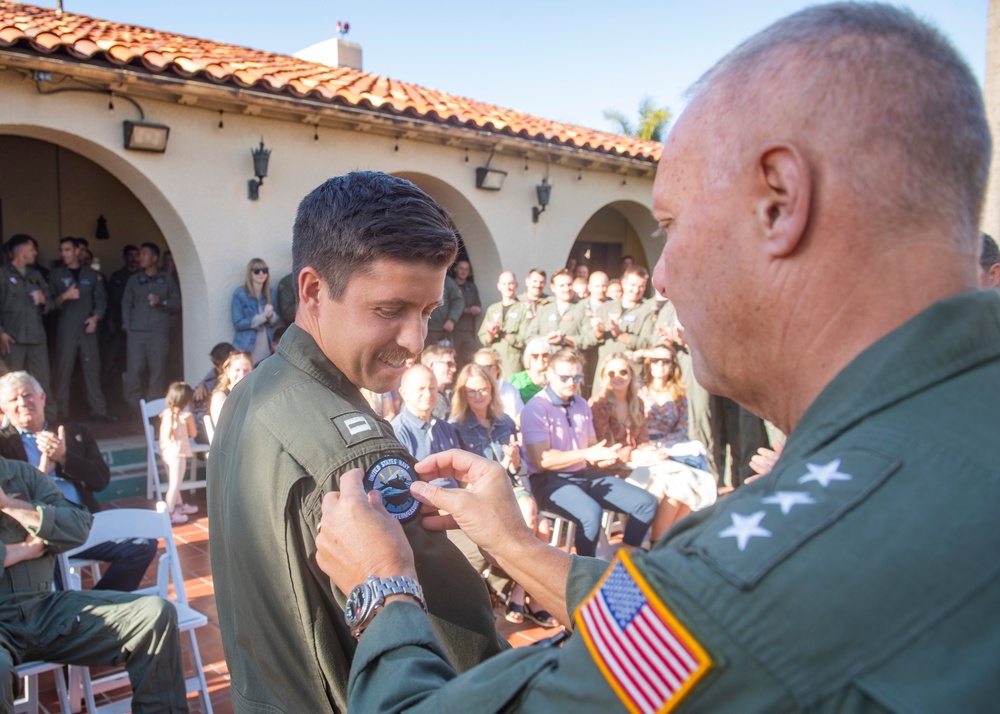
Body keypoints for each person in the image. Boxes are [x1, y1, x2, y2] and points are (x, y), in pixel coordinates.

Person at [313, 5, 999, 711]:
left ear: (779, 203)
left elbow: (689, 629)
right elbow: (654, 629)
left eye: (671, 225)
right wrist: (515, 545)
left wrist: (383, 589)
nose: (663, 274)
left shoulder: (755, 585)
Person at [207, 171, 506, 713]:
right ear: (314, 291)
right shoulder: (361, 461)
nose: (416, 340)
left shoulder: (252, 391)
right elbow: (463, 656)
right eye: (390, 311)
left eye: (429, 313)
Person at [0, 455, 189, 712]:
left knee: (155, 615)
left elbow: (79, 526)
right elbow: (56, 534)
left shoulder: (23, 475)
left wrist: (11, 505)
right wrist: (21, 550)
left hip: (44, 609)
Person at [0, 370, 157, 591]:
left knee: (142, 545)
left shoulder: (73, 433)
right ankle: (71, 614)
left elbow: (101, 480)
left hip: (86, 523)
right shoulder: (3, 445)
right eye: (13, 399)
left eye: (27, 395)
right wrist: (41, 472)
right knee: (47, 566)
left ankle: (99, 605)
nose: (23, 403)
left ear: (42, 397)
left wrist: (65, 457)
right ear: (3, 409)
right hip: (40, 531)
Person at [519, 347, 657, 557]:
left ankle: (624, 561)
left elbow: (592, 446)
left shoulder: (581, 403)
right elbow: (541, 460)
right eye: (564, 377)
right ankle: (584, 577)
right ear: (549, 375)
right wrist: (586, 454)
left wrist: (605, 454)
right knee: (591, 515)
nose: (571, 382)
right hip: (548, 480)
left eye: (577, 377)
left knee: (645, 503)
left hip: (583, 474)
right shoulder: (537, 407)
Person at [449, 363, 556, 628]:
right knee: (538, 525)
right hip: (483, 494)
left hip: (515, 488)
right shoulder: (456, 428)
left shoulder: (504, 420)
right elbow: (464, 478)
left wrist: (515, 461)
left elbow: (520, 471)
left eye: (483, 389)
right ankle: (530, 597)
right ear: (462, 394)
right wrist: (504, 468)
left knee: (534, 519)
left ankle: (519, 592)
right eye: (471, 391)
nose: (478, 396)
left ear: (492, 390)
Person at [592, 352, 716, 540]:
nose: (617, 377)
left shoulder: (637, 403)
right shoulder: (598, 405)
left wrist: (647, 450)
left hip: (638, 463)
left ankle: (664, 544)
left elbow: (642, 440)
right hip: (612, 469)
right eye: (611, 373)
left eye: (623, 372)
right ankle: (657, 545)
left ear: (631, 375)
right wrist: (633, 455)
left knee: (686, 482)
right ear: (603, 377)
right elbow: (604, 449)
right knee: (675, 490)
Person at [49, 237, 114, 421]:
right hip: (66, 327)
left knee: (92, 369)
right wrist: (65, 296)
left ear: (78, 251)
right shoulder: (55, 274)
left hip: (87, 327)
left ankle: (99, 411)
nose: (64, 254)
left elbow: (101, 301)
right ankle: (61, 412)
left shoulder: (92, 275)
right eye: (62, 250)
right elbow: (49, 304)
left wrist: (96, 317)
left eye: (67, 250)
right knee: (63, 370)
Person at [121, 242, 180, 415]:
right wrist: (127, 327)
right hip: (137, 332)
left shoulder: (166, 279)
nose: (141, 257)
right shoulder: (133, 280)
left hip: (158, 332)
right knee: (135, 369)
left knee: (157, 370)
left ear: (154, 258)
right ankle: (134, 406)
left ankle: (153, 408)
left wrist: (161, 302)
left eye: (145, 254)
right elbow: (126, 304)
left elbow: (176, 303)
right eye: (140, 254)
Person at [0, 234, 54, 421]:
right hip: (12, 337)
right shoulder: (3, 274)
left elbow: (51, 305)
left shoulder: (36, 275)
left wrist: (43, 300)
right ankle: (8, 422)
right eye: (31, 249)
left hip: (36, 336)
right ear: (21, 251)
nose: (35, 253)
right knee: (10, 381)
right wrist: (1, 332)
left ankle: (46, 419)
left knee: (42, 378)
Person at [391, 364, 459, 462]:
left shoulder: (447, 429)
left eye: (432, 388)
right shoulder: (397, 432)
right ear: (404, 393)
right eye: (421, 388)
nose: (428, 394)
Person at [158, 381, 198, 525]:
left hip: (166, 453)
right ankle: (169, 513)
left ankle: (180, 506)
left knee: (173, 482)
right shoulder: (186, 416)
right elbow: (193, 434)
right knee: (174, 485)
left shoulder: (166, 414)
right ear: (187, 400)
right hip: (178, 455)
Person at [478, 270, 529, 379]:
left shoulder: (523, 309)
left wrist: (501, 333)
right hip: (495, 360)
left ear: (516, 285)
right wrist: (490, 334)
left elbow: (524, 339)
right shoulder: (493, 309)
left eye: (511, 283)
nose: (508, 287)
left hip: (514, 362)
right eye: (504, 284)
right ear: (499, 286)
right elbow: (483, 338)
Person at [231, 258, 279, 365]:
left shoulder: (270, 293)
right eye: (256, 271)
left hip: (266, 349)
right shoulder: (240, 294)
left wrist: (271, 315)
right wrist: (262, 317)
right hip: (246, 347)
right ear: (250, 273)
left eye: (264, 270)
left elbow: (274, 323)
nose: (261, 273)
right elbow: (238, 324)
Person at [526, 269, 586, 347]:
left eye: (569, 284)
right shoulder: (543, 310)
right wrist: (546, 339)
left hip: (572, 357)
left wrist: (565, 340)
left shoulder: (582, 308)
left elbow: (589, 338)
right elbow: (529, 337)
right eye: (562, 285)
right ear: (553, 287)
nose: (567, 289)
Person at [472, 347, 523, 419]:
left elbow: (520, 415)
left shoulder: (509, 389)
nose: (482, 371)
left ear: (498, 369)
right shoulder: (469, 390)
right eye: (478, 367)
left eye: (487, 367)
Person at [208, 350, 252, 427]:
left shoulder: (256, 394)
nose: (241, 375)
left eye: (246, 370)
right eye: (237, 370)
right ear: (228, 371)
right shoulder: (220, 397)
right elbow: (223, 428)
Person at [451, 259, 482, 366]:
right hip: (452, 331)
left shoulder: (471, 287)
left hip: (468, 330)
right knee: (452, 358)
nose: (463, 272)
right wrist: (467, 310)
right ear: (455, 269)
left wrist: (475, 309)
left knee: (468, 359)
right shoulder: (450, 285)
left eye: (466, 269)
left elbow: (478, 307)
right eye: (461, 268)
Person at [425, 273, 463, 349]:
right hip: (422, 330)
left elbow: (458, 301)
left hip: (441, 330)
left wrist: (452, 319)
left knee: (442, 358)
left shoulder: (447, 281)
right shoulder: (420, 278)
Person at [508, 336, 551, 404]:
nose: (540, 359)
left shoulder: (555, 378)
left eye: (544, 355)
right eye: (535, 356)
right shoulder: (518, 380)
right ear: (528, 357)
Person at [420, 344, 457, 421]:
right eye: (449, 364)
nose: (454, 369)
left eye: (454, 365)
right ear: (431, 365)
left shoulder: (453, 395)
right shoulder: (419, 398)